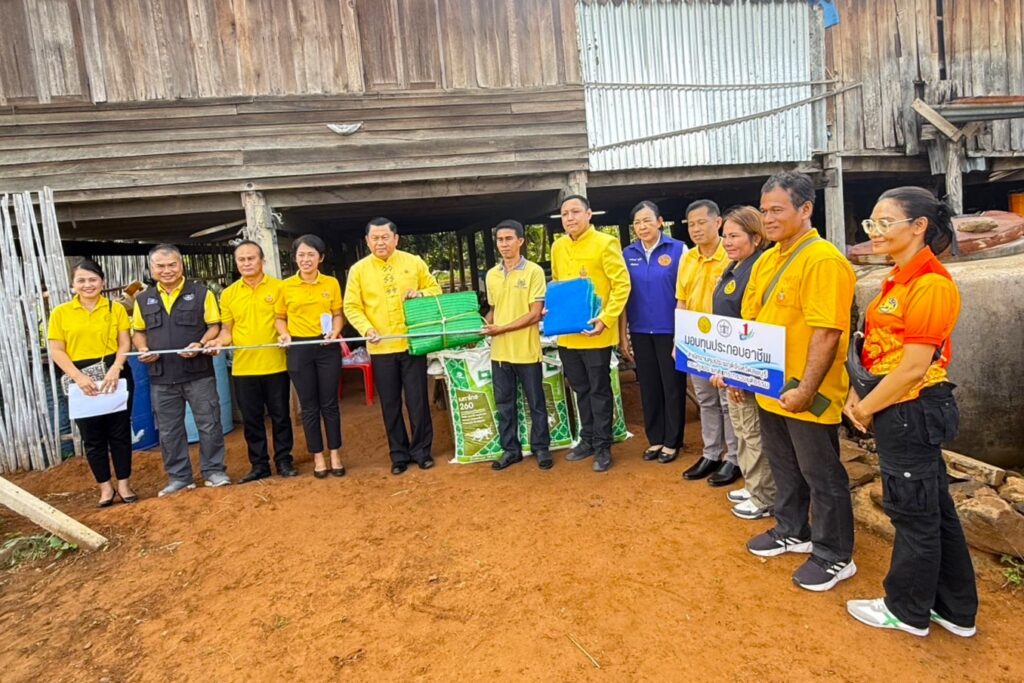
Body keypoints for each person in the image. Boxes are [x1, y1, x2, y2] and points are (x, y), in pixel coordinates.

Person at [844, 187, 977, 637]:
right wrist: (858, 391)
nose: (875, 231)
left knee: (913, 513)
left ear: (919, 226)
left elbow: (914, 367)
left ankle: (906, 609)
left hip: (911, 408)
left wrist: (865, 408)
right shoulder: (897, 278)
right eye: (872, 223)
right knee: (934, 508)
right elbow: (878, 349)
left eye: (886, 223)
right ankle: (955, 609)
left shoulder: (930, 284)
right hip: (897, 405)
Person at [741, 171, 857, 592]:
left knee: (821, 474)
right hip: (770, 386)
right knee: (784, 464)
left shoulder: (822, 261)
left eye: (777, 210)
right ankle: (792, 529)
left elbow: (827, 333)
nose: (768, 218)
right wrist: (742, 373)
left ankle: (834, 554)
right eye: (764, 210)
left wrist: (806, 390)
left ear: (806, 209)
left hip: (808, 392)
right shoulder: (768, 259)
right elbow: (751, 323)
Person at [343, 217, 442, 475]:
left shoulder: (413, 262)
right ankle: (398, 455)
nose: (380, 242)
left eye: (385, 237)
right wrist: (367, 329)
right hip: (381, 348)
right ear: (367, 241)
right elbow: (351, 306)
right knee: (390, 404)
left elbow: (435, 289)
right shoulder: (358, 270)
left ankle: (422, 452)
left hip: (412, 344)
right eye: (375, 238)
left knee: (417, 401)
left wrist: (421, 293)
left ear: (396, 239)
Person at [132, 244, 230, 496]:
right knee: (169, 430)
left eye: (172, 264)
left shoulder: (201, 293)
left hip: (198, 373)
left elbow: (214, 326)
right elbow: (139, 332)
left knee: (209, 423)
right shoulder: (143, 299)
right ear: (152, 268)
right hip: (161, 376)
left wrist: (200, 343)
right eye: (160, 266)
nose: (167, 270)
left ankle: (214, 471)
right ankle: (179, 478)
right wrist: (143, 349)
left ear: (181, 265)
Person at [551, 194, 631, 473]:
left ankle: (603, 446)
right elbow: (558, 284)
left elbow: (622, 285)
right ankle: (586, 439)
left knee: (599, 389)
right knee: (580, 389)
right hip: (567, 334)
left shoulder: (605, 243)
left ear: (589, 214)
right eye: (564, 214)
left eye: (575, 212)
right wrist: (553, 309)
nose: (569, 218)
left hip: (596, 333)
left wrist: (606, 319)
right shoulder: (558, 246)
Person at [48, 260, 137, 507]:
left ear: (102, 282)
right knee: (92, 436)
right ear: (73, 284)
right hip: (78, 377)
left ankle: (124, 484)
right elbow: (57, 350)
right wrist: (78, 377)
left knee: (120, 432)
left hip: (115, 373)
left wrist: (116, 368)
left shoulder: (115, 309)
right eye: (81, 280)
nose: (87, 285)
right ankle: (105, 488)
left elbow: (124, 343)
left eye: (93, 279)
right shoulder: (61, 313)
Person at [707, 206, 777, 519]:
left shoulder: (757, 269)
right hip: (732, 363)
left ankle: (764, 496)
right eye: (725, 236)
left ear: (756, 237)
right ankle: (752, 484)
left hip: (747, 366)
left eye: (734, 236)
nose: (727, 242)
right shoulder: (736, 267)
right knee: (742, 427)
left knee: (753, 430)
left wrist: (739, 373)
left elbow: (752, 326)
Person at [209, 240, 297, 482]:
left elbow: (287, 321)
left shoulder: (279, 288)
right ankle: (259, 465)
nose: (246, 263)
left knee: (281, 416)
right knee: (252, 420)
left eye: (251, 258)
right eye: (242, 259)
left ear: (262, 260)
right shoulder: (229, 294)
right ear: (236, 263)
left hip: (276, 364)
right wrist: (218, 342)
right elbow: (227, 330)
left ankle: (284, 460)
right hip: (244, 368)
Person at [619, 200, 688, 464]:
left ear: (660, 222)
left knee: (672, 385)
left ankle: (672, 441)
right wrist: (623, 334)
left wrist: (683, 332)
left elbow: (686, 294)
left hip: (670, 330)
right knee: (648, 386)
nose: (642, 226)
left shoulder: (679, 250)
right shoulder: (628, 254)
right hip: (639, 330)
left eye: (647, 220)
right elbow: (623, 296)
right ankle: (656, 438)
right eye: (637, 222)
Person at [676, 199, 739, 486]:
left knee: (727, 401)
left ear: (718, 222)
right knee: (705, 399)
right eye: (691, 224)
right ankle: (711, 453)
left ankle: (733, 458)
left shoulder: (732, 255)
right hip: (695, 340)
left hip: (724, 340)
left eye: (702, 222)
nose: (696, 229)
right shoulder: (687, 258)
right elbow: (682, 300)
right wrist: (679, 340)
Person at [482, 219, 551, 471]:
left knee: (536, 403)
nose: (504, 244)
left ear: (520, 241)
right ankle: (511, 450)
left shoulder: (533, 271)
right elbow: (494, 311)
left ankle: (541, 448)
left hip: (526, 349)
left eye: (509, 239)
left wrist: (501, 329)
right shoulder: (491, 274)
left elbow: (535, 314)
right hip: (500, 352)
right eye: (500, 240)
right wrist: (479, 326)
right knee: (504, 404)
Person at [274, 234, 345, 479]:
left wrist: (335, 331)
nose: (306, 259)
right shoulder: (285, 286)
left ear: (320, 258)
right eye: (301, 255)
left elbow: (337, 313)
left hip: (327, 346)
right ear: (295, 258)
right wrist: (284, 334)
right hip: (299, 348)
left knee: (330, 403)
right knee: (309, 406)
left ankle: (335, 453)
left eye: (311, 255)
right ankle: (317, 456)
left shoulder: (331, 283)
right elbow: (280, 318)